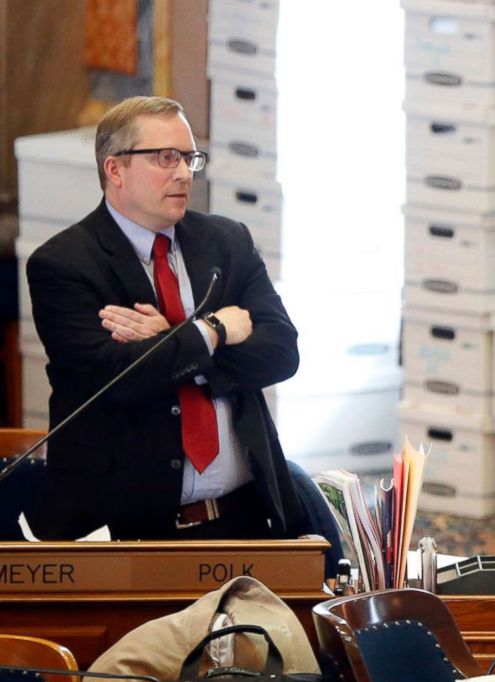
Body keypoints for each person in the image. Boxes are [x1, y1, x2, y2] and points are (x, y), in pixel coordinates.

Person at [26, 96, 303, 540]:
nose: (183, 173)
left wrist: (174, 339)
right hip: (128, 528)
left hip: (242, 517)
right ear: (114, 170)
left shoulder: (226, 241)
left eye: (189, 158)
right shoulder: (63, 264)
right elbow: (115, 376)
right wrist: (211, 331)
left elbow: (281, 353)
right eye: (165, 158)